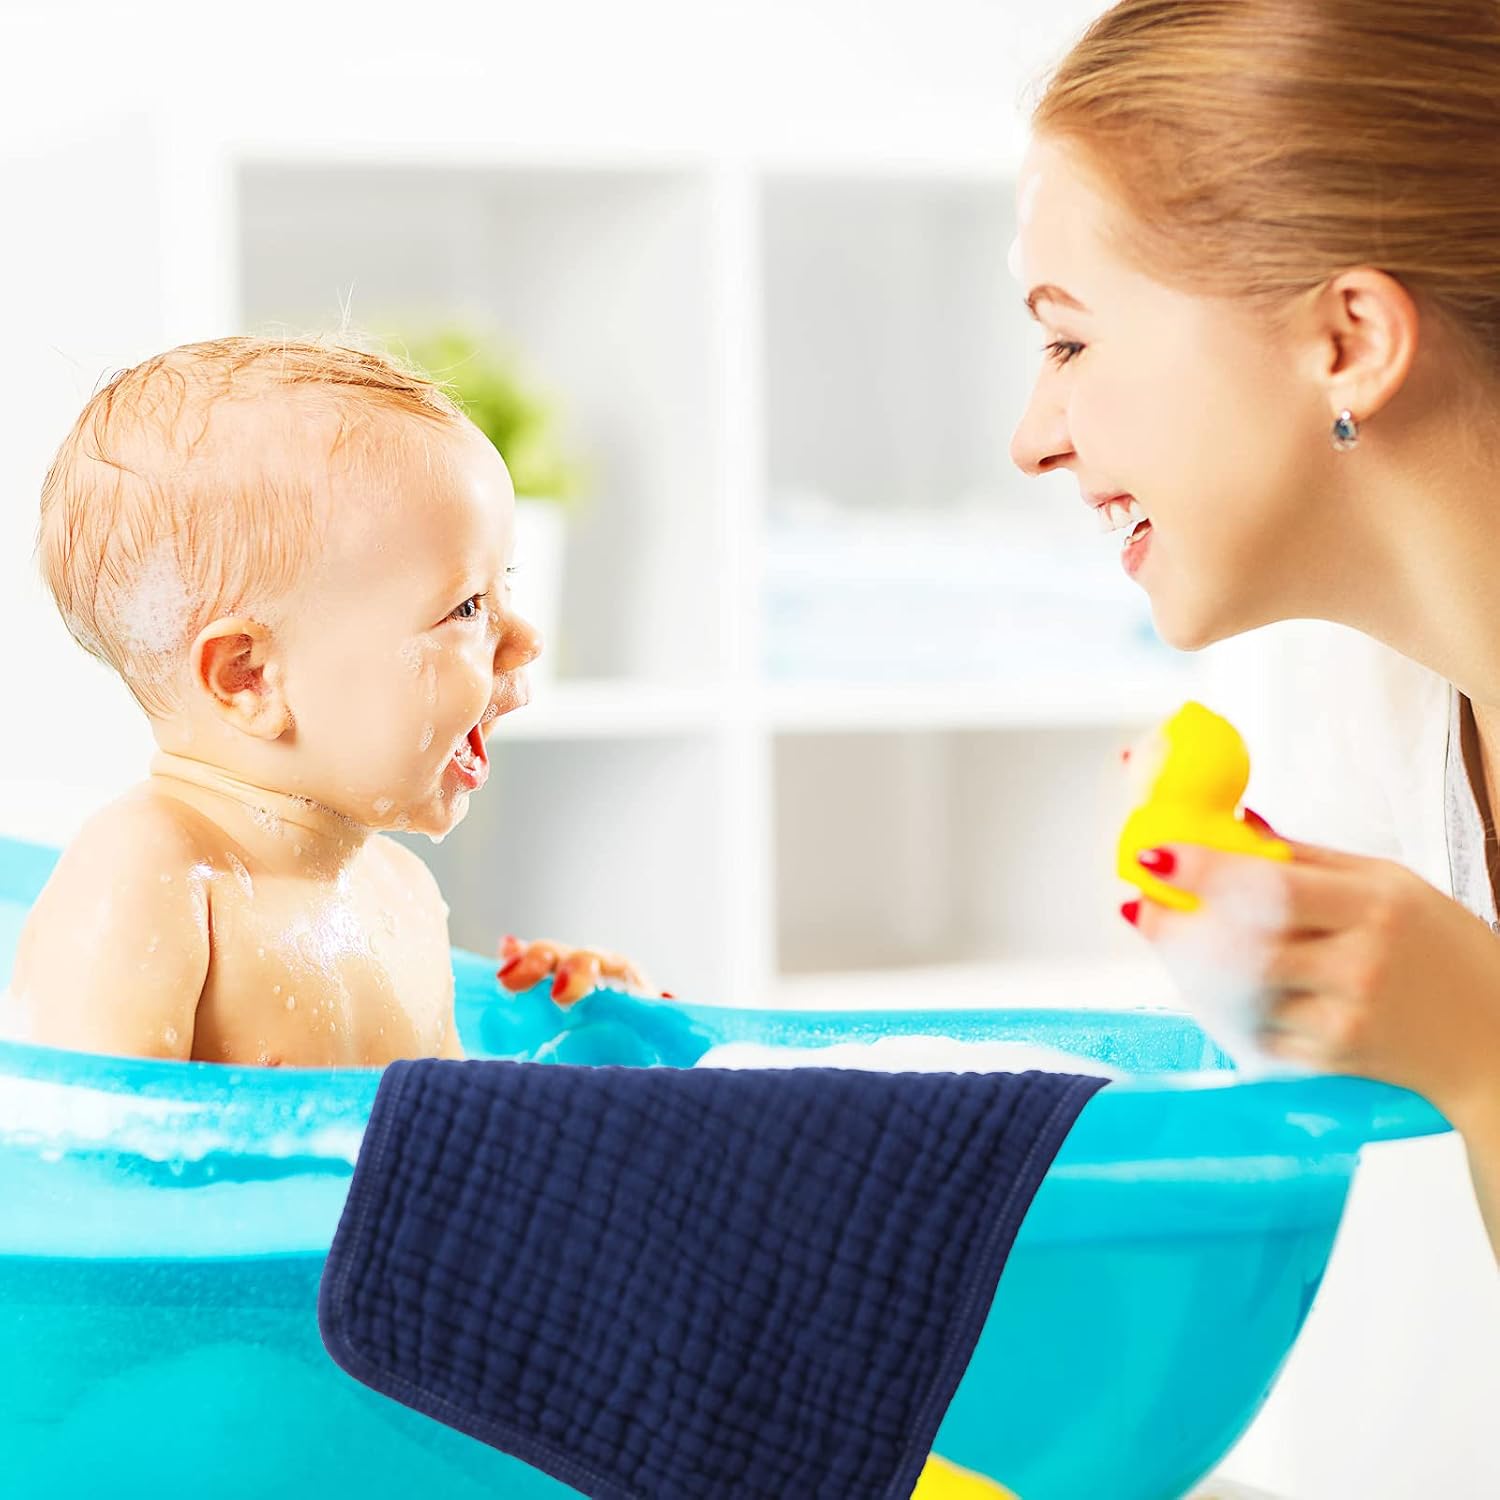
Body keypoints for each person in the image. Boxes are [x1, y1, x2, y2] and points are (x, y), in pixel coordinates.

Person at [1007, 0, 1500, 1260]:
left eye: (1069, 340)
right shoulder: (1361, 700)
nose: (1032, 439)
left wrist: (1481, 1044)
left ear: (1348, 341)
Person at [3, 335, 645, 1065]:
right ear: (249, 677)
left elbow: (442, 1122)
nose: (526, 638)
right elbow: (81, 1125)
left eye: (508, 584)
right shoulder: (150, 875)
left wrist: (581, 1043)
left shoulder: (400, 893)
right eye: (466, 606)